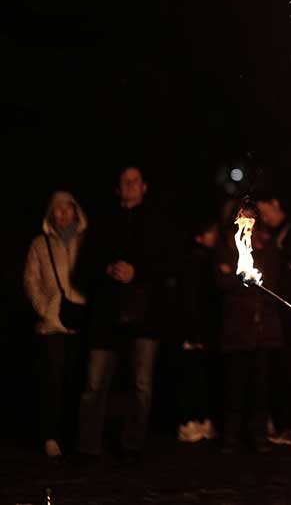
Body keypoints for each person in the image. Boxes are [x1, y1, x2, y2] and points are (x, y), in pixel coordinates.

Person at [77, 166, 176, 462]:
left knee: (141, 384)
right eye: (124, 181)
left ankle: (132, 445)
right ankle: (88, 446)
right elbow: (84, 267)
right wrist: (107, 270)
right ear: (117, 187)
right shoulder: (104, 223)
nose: (129, 186)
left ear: (144, 187)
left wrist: (138, 272)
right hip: (106, 316)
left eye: (134, 181)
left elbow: (170, 265)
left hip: (146, 315)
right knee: (95, 383)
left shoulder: (158, 223)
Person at [23, 191, 88, 459]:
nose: (63, 213)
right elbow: (30, 280)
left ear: (76, 211)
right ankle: (50, 436)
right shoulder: (40, 244)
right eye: (57, 209)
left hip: (81, 321)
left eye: (67, 208)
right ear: (51, 214)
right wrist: (45, 310)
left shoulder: (87, 241)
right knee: (52, 382)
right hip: (52, 324)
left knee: (78, 382)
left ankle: (74, 436)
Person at [217, 213, 284, 454]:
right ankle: (231, 436)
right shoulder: (230, 248)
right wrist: (240, 280)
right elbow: (222, 280)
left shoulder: (268, 251)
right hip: (237, 330)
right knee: (234, 385)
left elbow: (274, 280)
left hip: (263, 330)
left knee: (260, 386)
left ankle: (258, 435)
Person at [255, 192, 291, 447]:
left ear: (276, 202)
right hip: (276, 314)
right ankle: (284, 423)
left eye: (265, 212)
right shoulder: (274, 234)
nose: (263, 219)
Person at [174, 217, 221, 444]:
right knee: (192, 375)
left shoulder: (206, 259)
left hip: (200, 328)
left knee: (200, 375)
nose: (215, 236)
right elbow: (192, 298)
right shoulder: (196, 261)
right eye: (210, 232)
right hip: (195, 329)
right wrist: (194, 330)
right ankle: (190, 421)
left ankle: (200, 420)